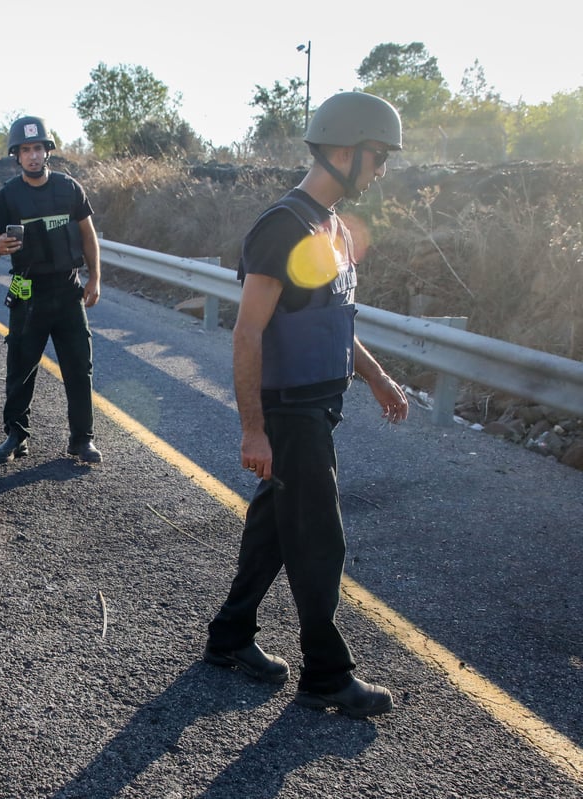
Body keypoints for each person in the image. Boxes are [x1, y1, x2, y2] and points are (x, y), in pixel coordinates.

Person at [203, 92, 410, 718]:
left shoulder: (333, 227)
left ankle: (230, 637)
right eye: (377, 158)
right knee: (319, 539)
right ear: (344, 152)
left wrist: (373, 375)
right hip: (289, 414)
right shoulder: (283, 226)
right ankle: (327, 674)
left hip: (320, 406)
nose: (381, 171)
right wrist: (253, 430)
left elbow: (333, 320)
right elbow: (248, 333)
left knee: (272, 531)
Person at [0, 116, 103, 464]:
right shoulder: (8, 196)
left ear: (47, 151)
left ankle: (82, 440)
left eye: (38, 148)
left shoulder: (69, 189)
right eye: (25, 150)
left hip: (68, 290)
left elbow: (88, 235)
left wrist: (94, 278)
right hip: (27, 293)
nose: (32, 156)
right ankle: (16, 437)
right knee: (20, 367)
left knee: (80, 366)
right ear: (16, 156)